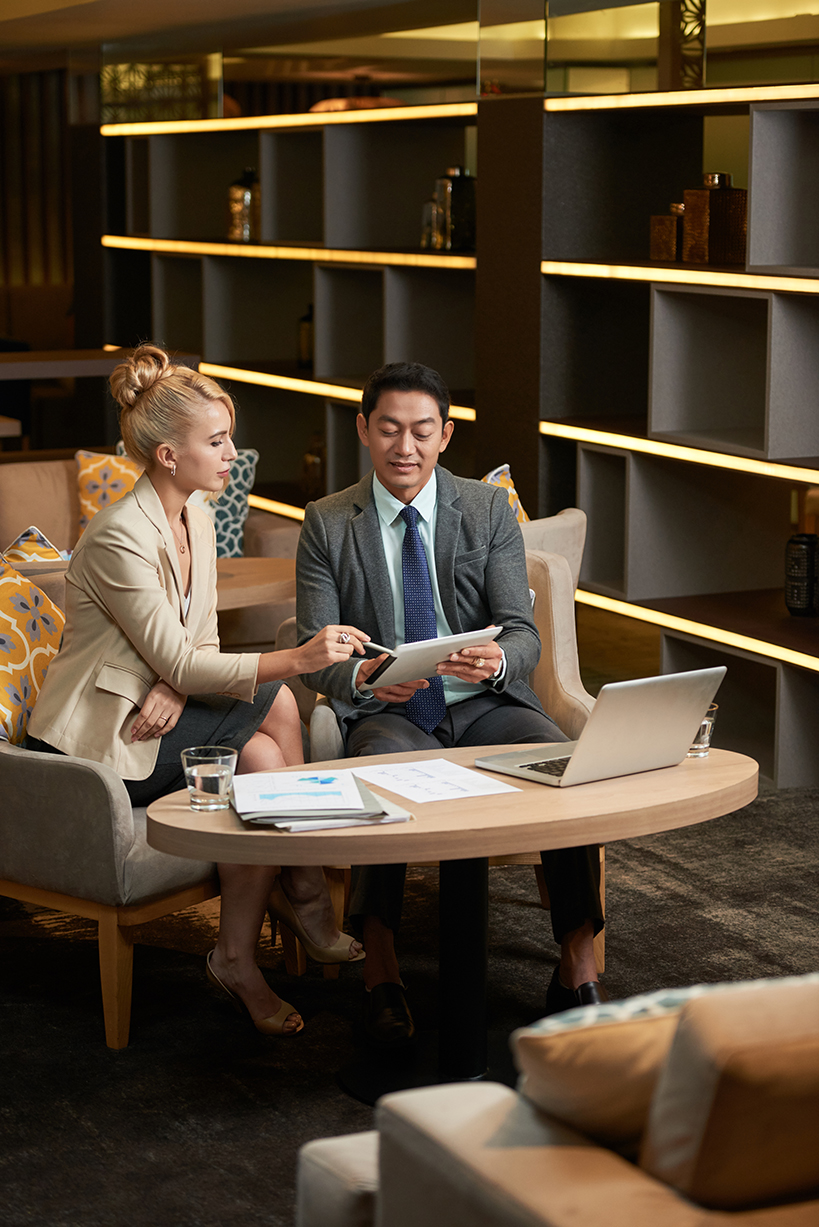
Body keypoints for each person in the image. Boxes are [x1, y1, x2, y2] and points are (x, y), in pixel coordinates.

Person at [27, 344, 370, 1037]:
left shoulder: (198, 515)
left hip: (156, 711)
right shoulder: (119, 536)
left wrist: (178, 686)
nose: (232, 453)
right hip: (100, 742)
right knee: (279, 696)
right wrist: (294, 658)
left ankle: (235, 957)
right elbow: (185, 660)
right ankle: (303, 889)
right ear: (167, 456)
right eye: (216, 441)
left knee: (263, 759)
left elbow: (198, 645)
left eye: (228, 437)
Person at [296, 361, 606, 1047]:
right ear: (363, 430)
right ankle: (381, 970)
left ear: (445, 434)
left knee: (563, 763)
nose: (404, 447)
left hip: (485, 703)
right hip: (389, 711)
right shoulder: (327, 521)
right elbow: (312, 650)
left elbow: (520, 630)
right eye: (389, 429)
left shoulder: (486, 508)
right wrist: (364, 678)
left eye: (421, 431)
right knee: (378, 778)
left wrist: (499, 659)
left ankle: (576, 961)